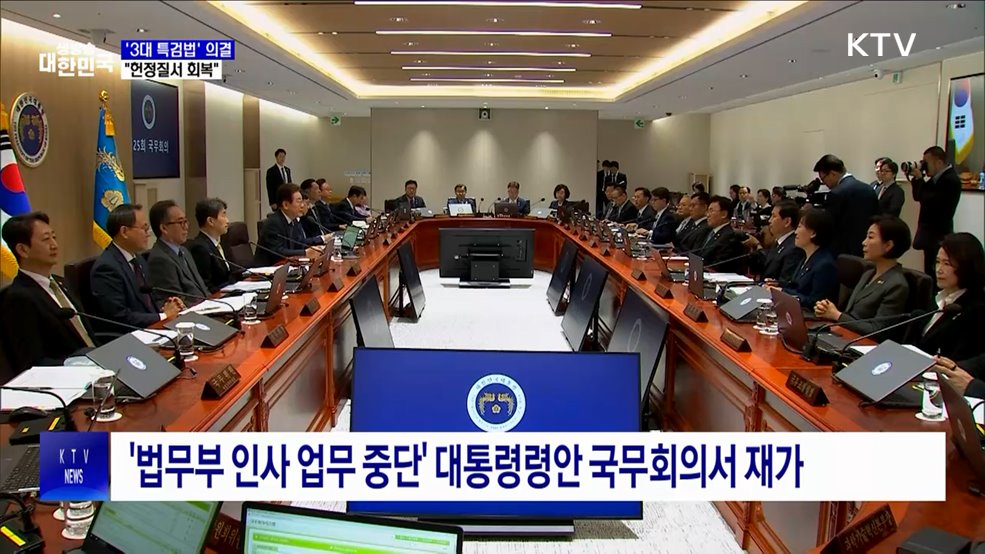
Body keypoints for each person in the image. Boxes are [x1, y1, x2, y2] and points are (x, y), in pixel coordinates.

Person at [0, 212, 95, 376]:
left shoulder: (59, 282)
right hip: (72, 378)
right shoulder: (19, 298)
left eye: (54, 237)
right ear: (23, 250)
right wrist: (80, 364)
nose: (54, 245)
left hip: (97, 366)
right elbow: (32, 363)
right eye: (46, 239)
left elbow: (86, 335)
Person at [91, 204, 184, 334]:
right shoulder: (106, 268)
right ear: (124, 232)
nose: (148, 234)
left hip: (152, 329)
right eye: (144, 229)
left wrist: (169, 304)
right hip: (129, 336)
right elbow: (119, 316)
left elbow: (148, 300)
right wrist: (163, 316)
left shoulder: (138, 259)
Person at [813, 216, 912, 336]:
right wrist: (827, 310)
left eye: (870, 237)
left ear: (888, 245)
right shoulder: (868, 273)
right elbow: (850, 313)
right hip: (843, 334)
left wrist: (837, 315)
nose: (864, 242)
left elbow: (878, 330)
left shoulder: (897, 285)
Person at [904, 233, 985, 361]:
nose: (939, 270)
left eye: (947, 264)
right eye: (938, 262)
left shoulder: (977, 309)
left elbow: (959, 358)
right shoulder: (939, 298)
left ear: (967, 266)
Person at [906, 146, 962, 280]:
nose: (924, 165)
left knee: (935, 272)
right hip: (930, 236)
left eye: (926, 162)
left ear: (939, 162)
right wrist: (917, 178)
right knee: (929, 271)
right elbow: (918, 196)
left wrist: (920, 179)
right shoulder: (937, 178)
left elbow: (929, 201)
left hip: (938, 234)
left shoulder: (950, 180)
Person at [147, 200, 211, 307]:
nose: (186, 227)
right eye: (181, 222)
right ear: (164, 228)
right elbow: (176, 301)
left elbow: (202, 289)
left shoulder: (184, 251)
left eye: (186, 221)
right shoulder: (160, 260)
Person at [814, 154, 879, 257]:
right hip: (868, 249)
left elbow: (829, 227)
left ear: (832, 174)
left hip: (843, 252)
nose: (824, 183)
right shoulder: (869, 189)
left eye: (823, 179)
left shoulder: (836, 194)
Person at [777, 208, 838, 308]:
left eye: (799, 227)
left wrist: (783, 292)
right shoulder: (806, 257)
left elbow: (815, 302)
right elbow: (795, 286)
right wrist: (776, 287)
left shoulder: (825, 265)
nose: (796, 232)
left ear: (813, 233)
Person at [256, 183, 330, 266]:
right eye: (299, 201)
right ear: (285, 205)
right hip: (267, 270)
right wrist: (305, 252)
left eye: (302, 201)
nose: (302, 205)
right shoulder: (273, 223)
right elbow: (277, 251)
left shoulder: (293, 220)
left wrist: (316, 248)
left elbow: (299, 242)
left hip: (286, 267)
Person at [743, 200, 804, 286]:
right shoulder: (779, 242)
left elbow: (783, 283)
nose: (769, 220)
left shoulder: (794, 248)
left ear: (787, 222)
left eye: (774, 216)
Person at [187, 197, 237, 293]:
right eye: (223, 215)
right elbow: (207, 285)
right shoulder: (200, 248)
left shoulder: (222, 243)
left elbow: (232, 273)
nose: (227, 221)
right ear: (210, 221)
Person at [696, 196, 747, 273]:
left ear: (724, 214)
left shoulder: (729, 237)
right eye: (708, 211)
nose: (707, 215)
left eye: (711, 211)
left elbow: (719, 266)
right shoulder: (708, 232)